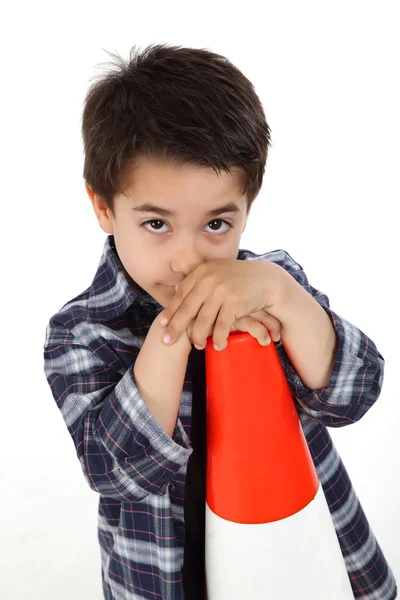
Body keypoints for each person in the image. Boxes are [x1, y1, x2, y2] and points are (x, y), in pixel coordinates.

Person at [43, 43, 397, 600]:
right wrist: (175, 332)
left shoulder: (273, 287)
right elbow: (117, 474)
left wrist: (285, 296)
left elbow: (354, 394)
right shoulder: (84, 331)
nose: (190, 258)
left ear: (246, 209)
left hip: (303, 557)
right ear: (104, 208)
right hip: (163, 577)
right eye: (157, 223)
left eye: (216, 224)